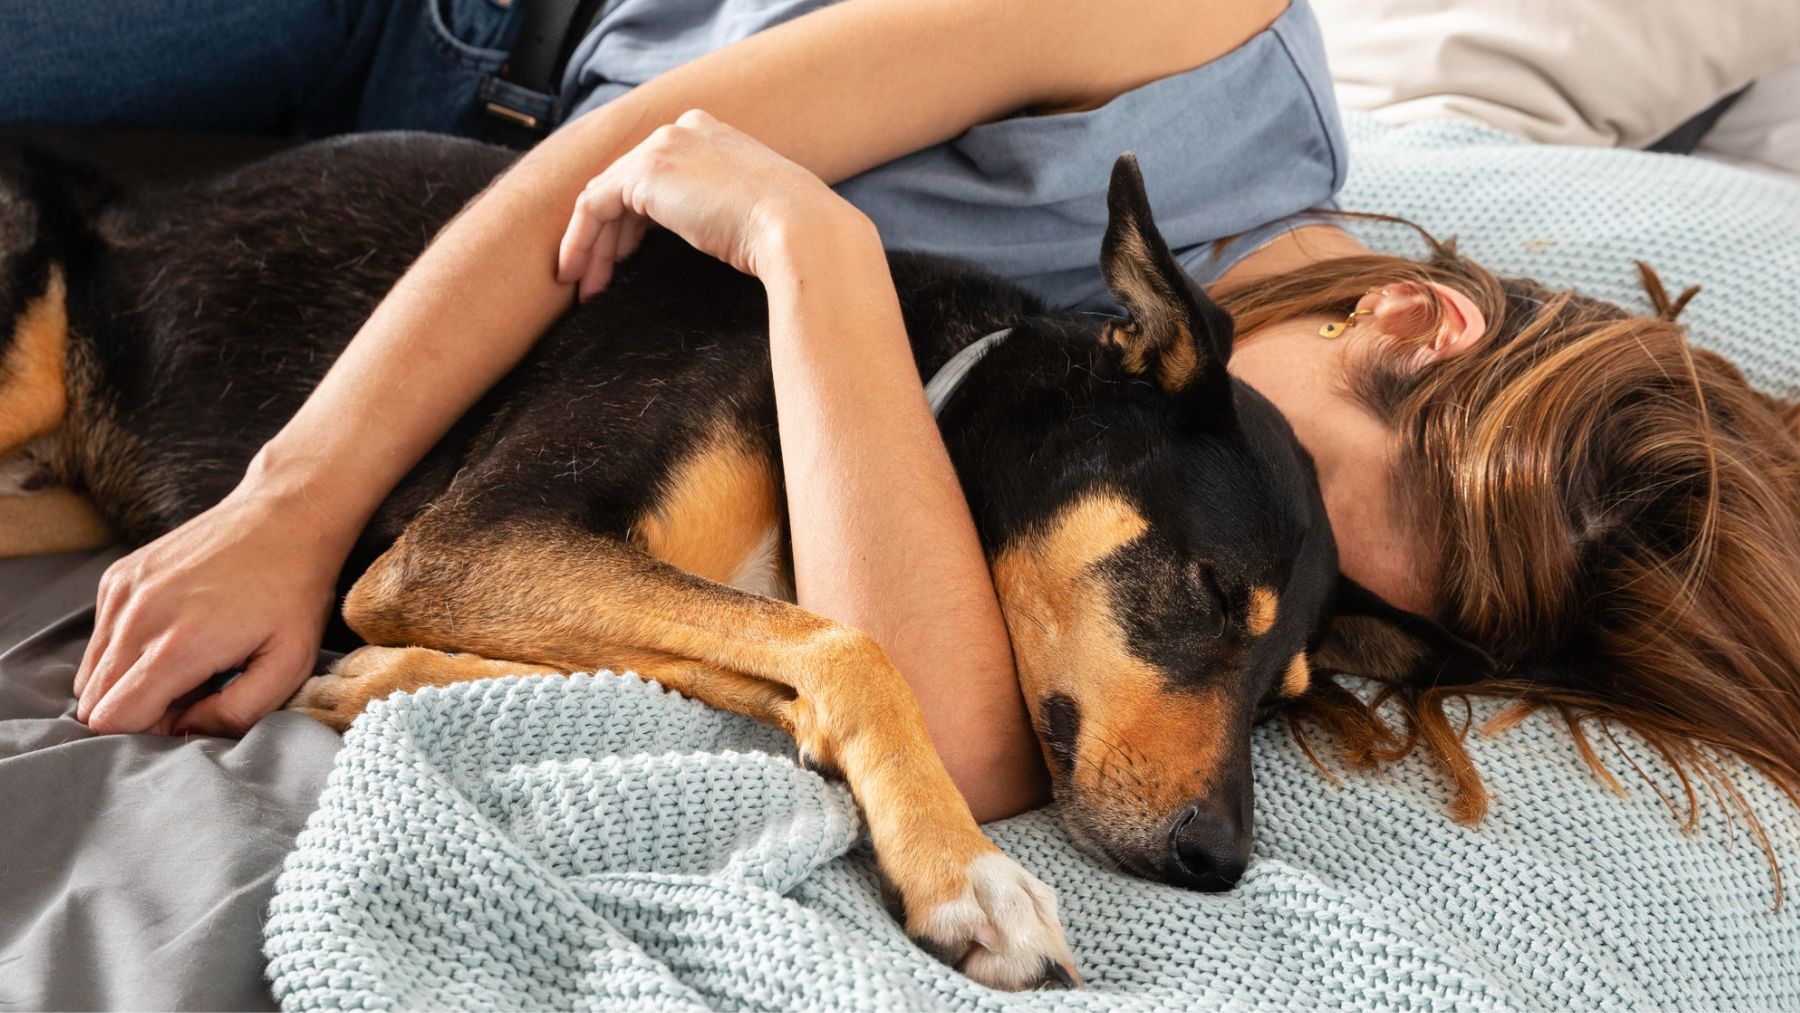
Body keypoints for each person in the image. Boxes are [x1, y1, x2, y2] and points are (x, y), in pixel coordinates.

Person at [23, 0, 1800, 828]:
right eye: (1326, 498)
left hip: (423, 203)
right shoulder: (1186, 32)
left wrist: (814, 255)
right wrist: (287, 503)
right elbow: (616, 163)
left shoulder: (1104, 485)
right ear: (1408, 315)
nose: (1300, 560)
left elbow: (959, 737)